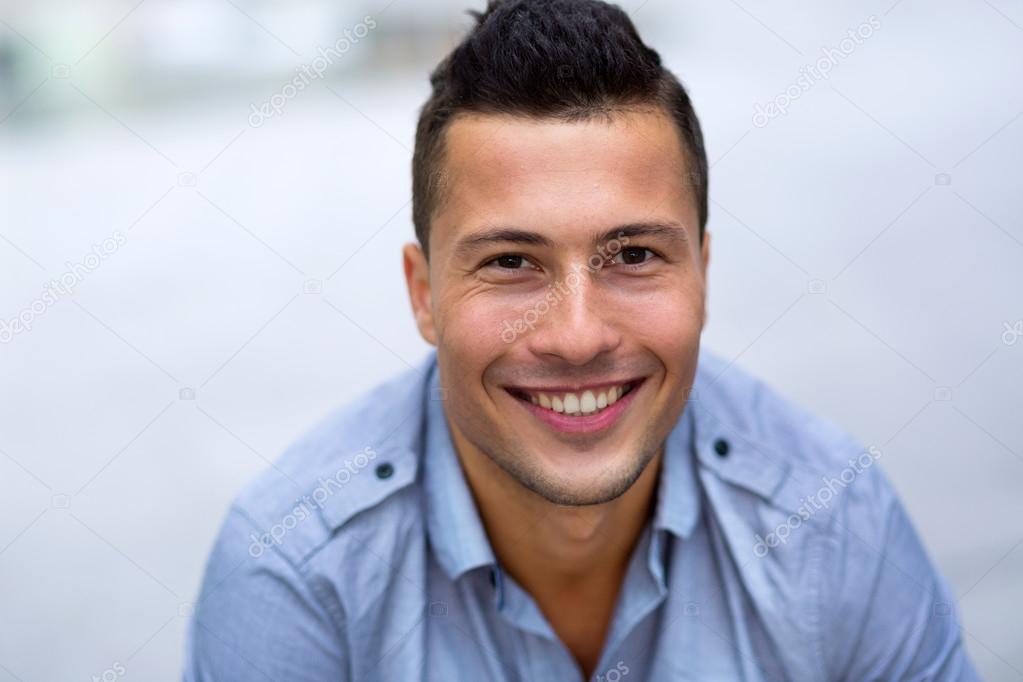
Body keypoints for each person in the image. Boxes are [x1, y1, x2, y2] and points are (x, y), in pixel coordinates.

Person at [183, 0, 978, 679]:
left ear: (701, 272)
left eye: (633, 256)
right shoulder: (294, 569)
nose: (574, 335)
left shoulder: (834, 520)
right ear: (423, 295)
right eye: (510, 263)